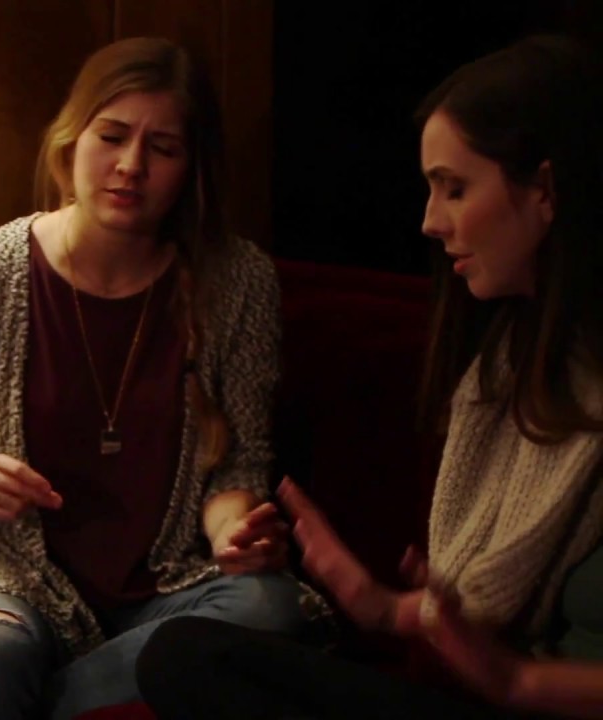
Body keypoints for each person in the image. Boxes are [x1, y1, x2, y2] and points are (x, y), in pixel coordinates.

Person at [135, 33, 603, 720]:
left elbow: (511, 674)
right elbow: (472, 627)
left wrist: (520, 683)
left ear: (545, 190)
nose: (431, 221)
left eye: (455, 188)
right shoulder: (518, 361)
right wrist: (379, 607)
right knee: (186, 656)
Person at [0, 36, 326, 720]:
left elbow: (237, 465)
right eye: (113, 136)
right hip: (14, 575)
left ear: (192, 167)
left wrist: (232, 536)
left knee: (270, 607)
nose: (131, 166)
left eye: (163, 148)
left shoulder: (238, 283)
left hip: (171, 585)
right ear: (72, 139)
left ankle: (43, 705)